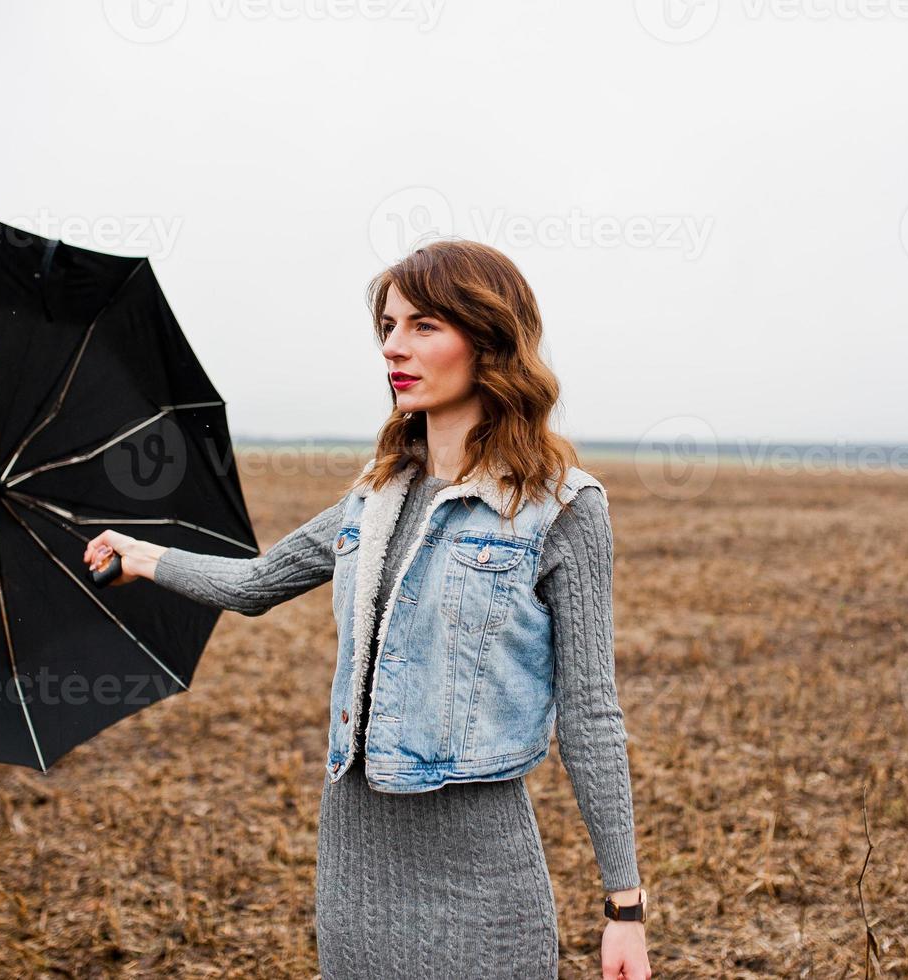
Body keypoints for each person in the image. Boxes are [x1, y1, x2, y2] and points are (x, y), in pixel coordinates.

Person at [82, 240, 651, 980]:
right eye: (387, 326)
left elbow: (589, 711)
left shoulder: (557, 509)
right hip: (355, 854)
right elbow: (257, 584)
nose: (393, 347)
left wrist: (624, 909)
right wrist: (144, 556)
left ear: (487, 338)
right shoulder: (374, 495)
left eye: (422, 326)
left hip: (479, 865)